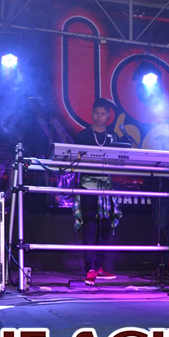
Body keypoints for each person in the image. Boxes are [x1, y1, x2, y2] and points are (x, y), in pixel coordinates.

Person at [73, 98, 123, 283]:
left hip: (106, 187)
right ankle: (89, 268)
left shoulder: (113, 137)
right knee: (90, 226)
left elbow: (120, 159)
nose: (99, 117)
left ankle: (99, 266)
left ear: (108, 116)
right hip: (88, 186)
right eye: (96, 113)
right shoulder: (83, 136)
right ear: (91, 113)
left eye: (103, 114)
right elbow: (74, 159)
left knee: (106, 226)